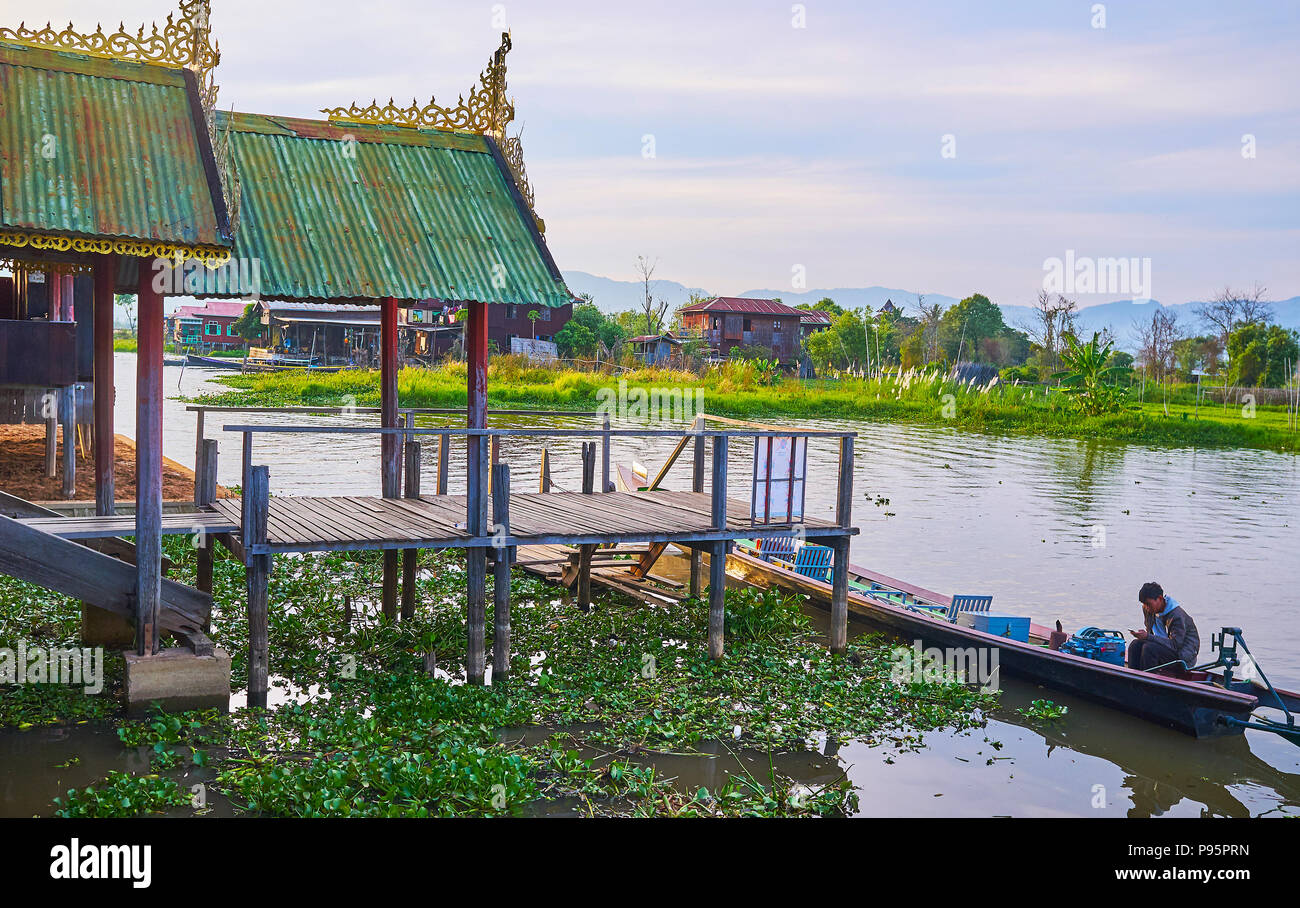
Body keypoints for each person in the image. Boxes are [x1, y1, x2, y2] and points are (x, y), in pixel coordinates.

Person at [1127, 581, 1200, 671]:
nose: (1146, 607)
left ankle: (1149, 682)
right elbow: (1150, 632)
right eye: (1144, 604)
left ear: (1160, 599)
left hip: (1182, 656)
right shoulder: (1148, 610)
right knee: (1135, 644)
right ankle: (1134, 678)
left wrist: (1147, 636)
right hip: (1163, 649)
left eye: (1148, 604)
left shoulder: (1176, 615)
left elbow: (1175, 645)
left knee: (1149, 649)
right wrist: (1144, 636)